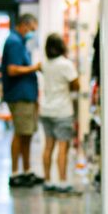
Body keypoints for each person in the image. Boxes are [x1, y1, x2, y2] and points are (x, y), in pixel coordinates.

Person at [1, 13, 41, 187]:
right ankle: (15, 172)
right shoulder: (14, 43)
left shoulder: (20, 42)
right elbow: (12, 69)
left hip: (26, 95)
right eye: (31, 29)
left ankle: (26, 170)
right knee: (20, 133)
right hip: (19, 96)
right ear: (24, 25)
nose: (32, 33)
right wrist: (34, 68)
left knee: (27, 134)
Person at [39, 33, 79, 193]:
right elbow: (76, 85)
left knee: (48, 146)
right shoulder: (66, 64)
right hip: (62, 111)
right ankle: (62, 182)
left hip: (46, 109)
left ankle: (48, 181)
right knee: (63, 147)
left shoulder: (44, 64)